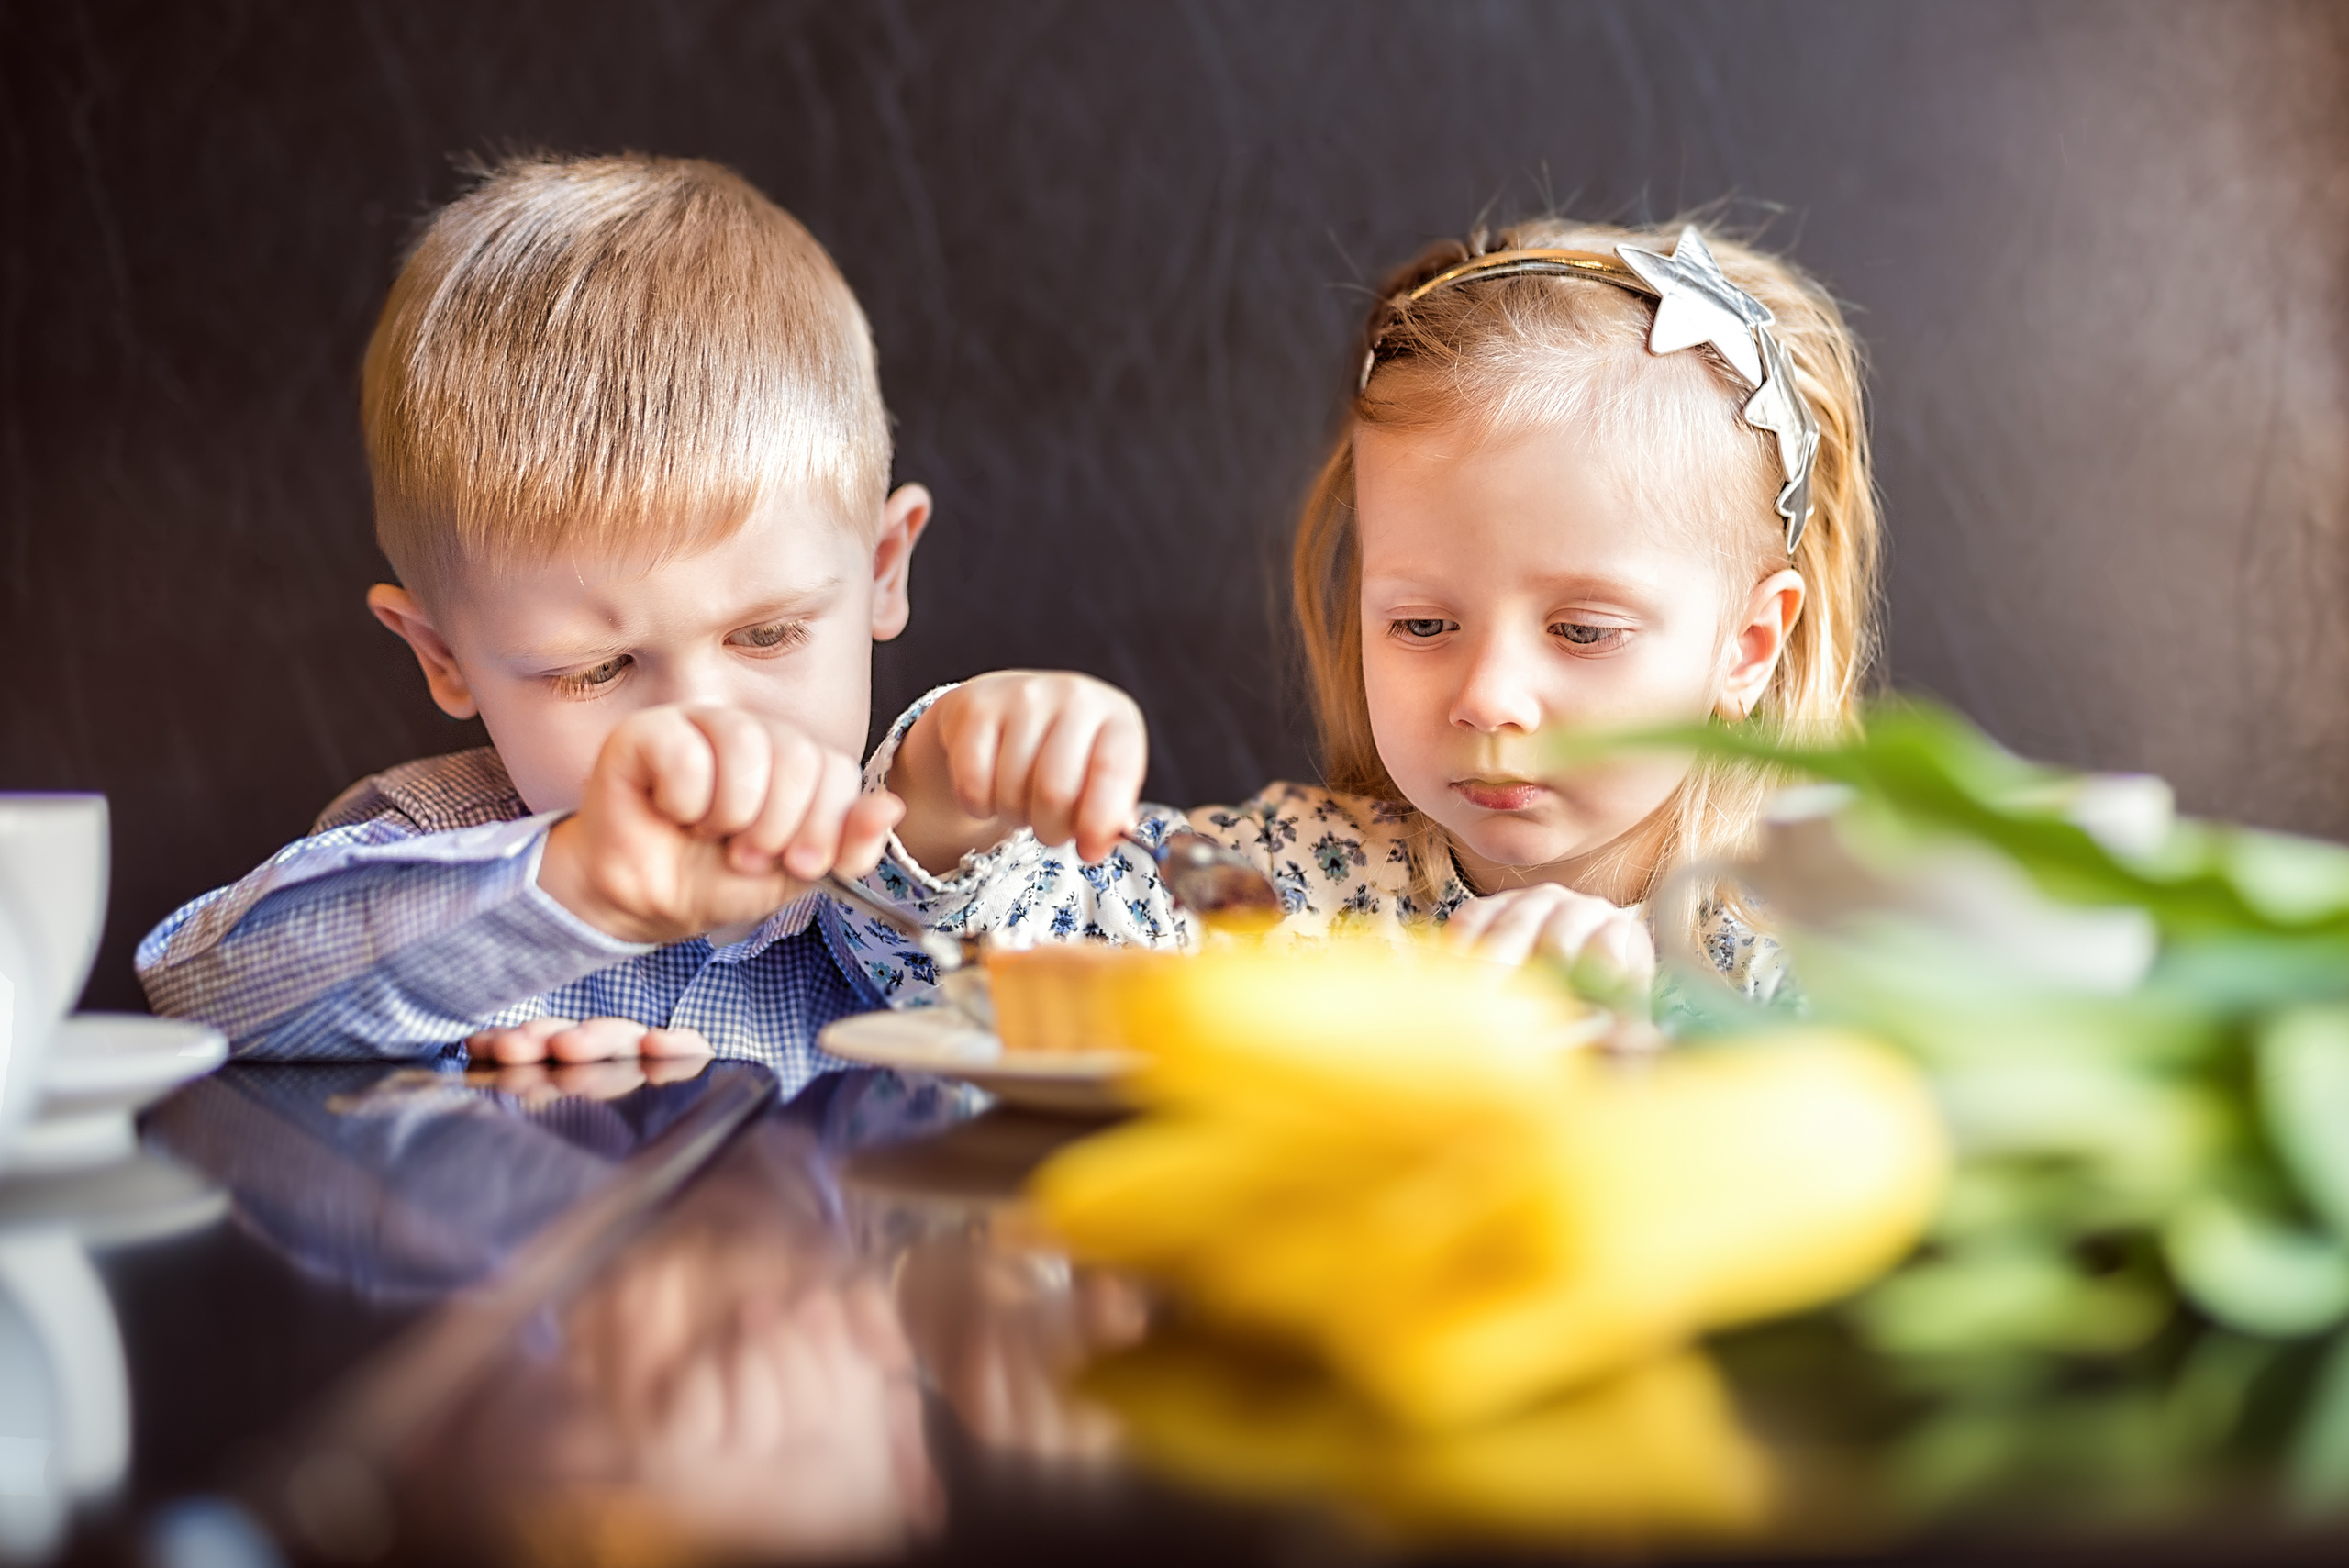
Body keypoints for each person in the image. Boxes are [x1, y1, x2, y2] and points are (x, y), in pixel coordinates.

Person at [136, 153, 1145, 1085]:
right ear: (443, 657)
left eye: (767, 634)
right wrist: (582, 892)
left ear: (882, 569)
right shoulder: (432, 851)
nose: (702, 725)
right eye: (594, 667)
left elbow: (1163, 1031)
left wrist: (958, 818)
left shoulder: (934, 844)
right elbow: (196, 994)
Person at [880, 218, 1880, 1002]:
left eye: (1581, 630)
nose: (1488, 699)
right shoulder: (1293, 888)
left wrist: (1632, 1056)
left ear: (1746, 647)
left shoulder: (1811, 947)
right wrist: (949, 789)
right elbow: (961, 971)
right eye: (1421, 625)